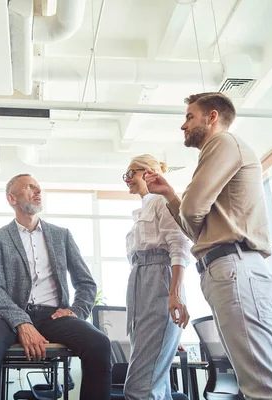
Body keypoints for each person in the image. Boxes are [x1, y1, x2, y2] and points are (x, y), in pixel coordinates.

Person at [144, 93, 272, 399]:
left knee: (264, 388)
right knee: (256, 384)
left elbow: (192, 213)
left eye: (190, 116)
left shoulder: (223, 142)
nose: (183, 125)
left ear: (212, 116)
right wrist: (171, 195)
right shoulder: (221, 150)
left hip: (235, 268)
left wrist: (184, 205)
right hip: (226, 269)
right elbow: (194, 227)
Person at [0, 174, 112, 400]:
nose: (38, 191)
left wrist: (76, 311)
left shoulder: (61, 235)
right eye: (29, 187)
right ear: (12, 198)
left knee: (99, 343)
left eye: (38, 188)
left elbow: (85, 282)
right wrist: (22, 321)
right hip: (6, 315)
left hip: (53, 315)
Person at [122, 154, 192, 400]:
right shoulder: (142, 208)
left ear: (149, 172)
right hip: (140, 282)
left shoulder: (162, 201)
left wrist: (174, 294)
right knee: (153, 381)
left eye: (132, 173)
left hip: (158, 281)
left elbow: (179, 246)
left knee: (140, 386)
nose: (127, 179)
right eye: (126, 175)